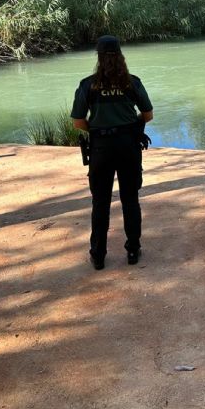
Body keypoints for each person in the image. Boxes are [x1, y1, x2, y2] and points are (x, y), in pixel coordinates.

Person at [71, 35, 153, 270]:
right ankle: (133, 251)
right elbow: (148, 115)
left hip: (100, 149)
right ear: (120, 56)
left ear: (98, 57)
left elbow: (78, 122)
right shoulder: (133, 83)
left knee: (100, 203)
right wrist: (130, 126)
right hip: (128, 146)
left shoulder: (88, 85)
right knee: (130, 200)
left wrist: (97, 129)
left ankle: (98, 255)